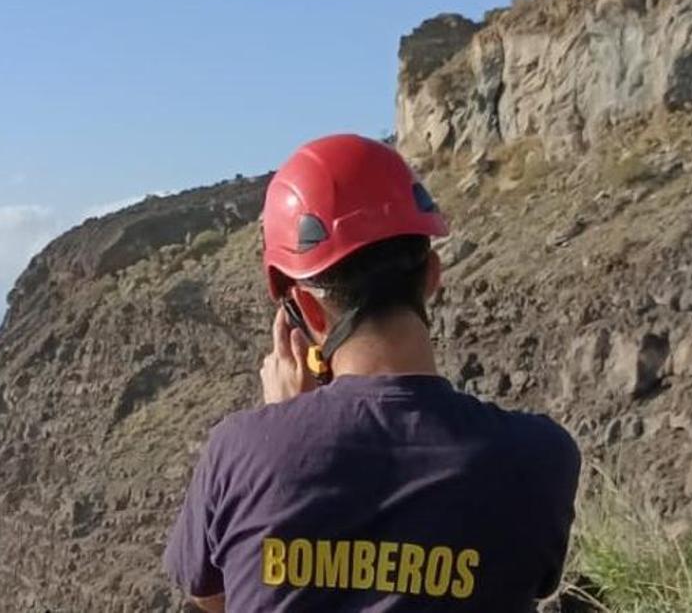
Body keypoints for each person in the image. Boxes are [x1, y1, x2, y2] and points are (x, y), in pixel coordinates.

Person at [163, 134, 580, 612]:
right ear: (432, 276)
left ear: (307, 310)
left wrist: (283, 430)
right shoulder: (540, 458)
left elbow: (216, 600)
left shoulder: (237, 451)